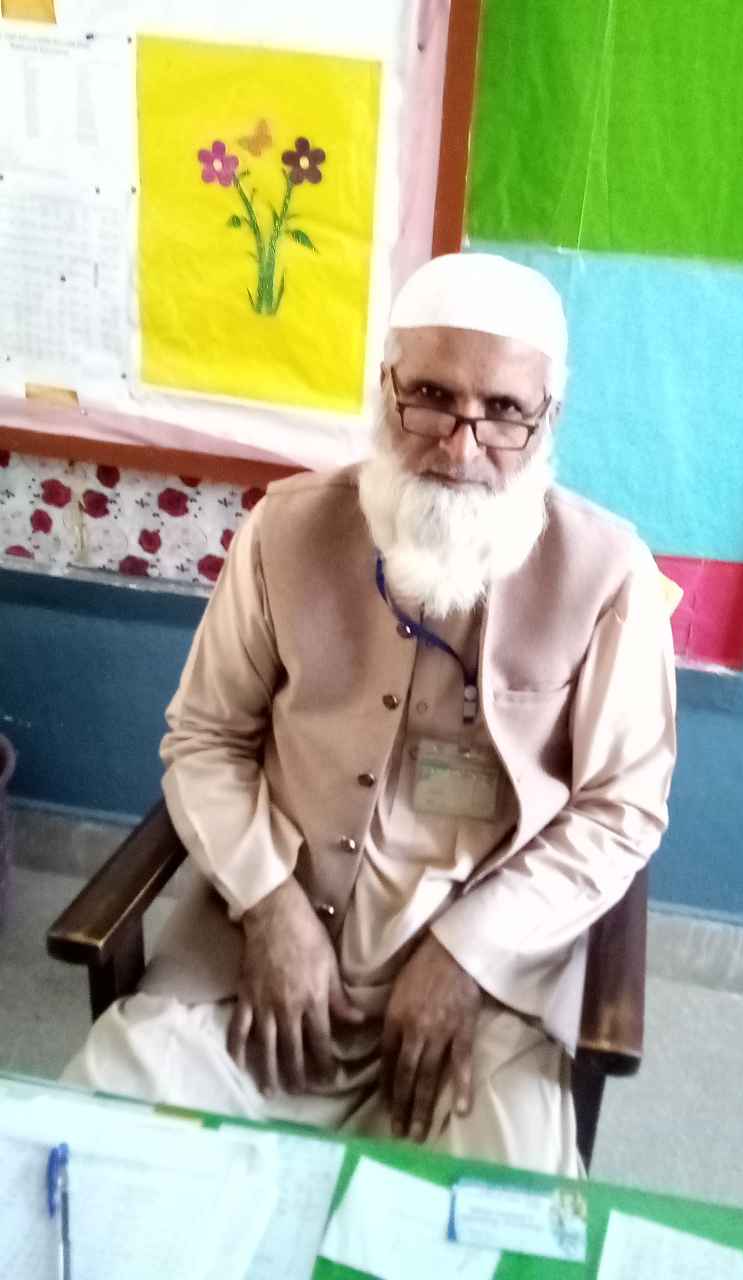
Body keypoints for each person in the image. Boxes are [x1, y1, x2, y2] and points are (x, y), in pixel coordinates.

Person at [64, 252, 679, 1177]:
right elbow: (205, 738)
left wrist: (469, 955)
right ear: (385, 389)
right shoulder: (284, 529)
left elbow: (620, 809)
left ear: (547, 419)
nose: (462, 448)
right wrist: (269, 907)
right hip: (253, 967)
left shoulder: (608, 574)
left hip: (485, 1000)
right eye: (431, 396)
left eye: (504, 411)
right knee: (86, 1169)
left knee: (493, 1224)